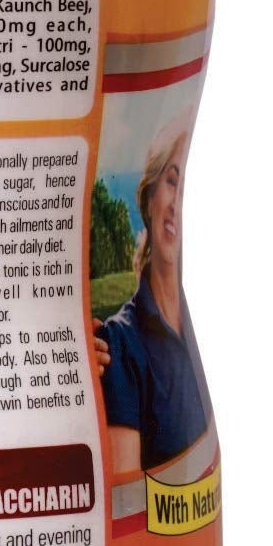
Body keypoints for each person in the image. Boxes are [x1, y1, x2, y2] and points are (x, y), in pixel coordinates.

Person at [96, 119, 208, 472]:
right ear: (149, 198)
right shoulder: (120, 342)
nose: (177, 202)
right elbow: (128, 495)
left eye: (185, 186)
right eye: (172, 181)